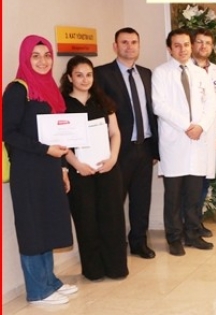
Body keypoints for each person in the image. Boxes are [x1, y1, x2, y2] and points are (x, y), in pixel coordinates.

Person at [3, 35, 77, 304]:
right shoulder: (17, 90)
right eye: (35, 56)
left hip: (49, 169)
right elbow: (8, 133)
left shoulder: (49, 89)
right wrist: (44, 150)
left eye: (47, 55)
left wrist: (63, 169)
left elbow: (58, 135)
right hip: (28, 171)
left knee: (47, 224)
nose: (43, 61)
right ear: (25, 59)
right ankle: (37, 291)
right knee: (32, 228)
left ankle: (49, 282)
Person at [61, 56, 128, 281]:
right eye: (79, 75)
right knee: (86, 220)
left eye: (89, 75)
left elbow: (115, 133)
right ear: (70, 77)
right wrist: (77, 165)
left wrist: (113, 158)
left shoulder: (103, 101)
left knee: (112, 218)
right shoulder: (61, 105)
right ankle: (94, 271)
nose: (85, 79)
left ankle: (116, 268)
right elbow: (61, 142)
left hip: (107, 169)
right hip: (80, 173)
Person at [95, 27, 159, 260]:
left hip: (144, 146)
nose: (129, 47)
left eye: (133, 42)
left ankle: (139, 242)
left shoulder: (146, 74)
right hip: (118, 149)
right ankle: (113, 245)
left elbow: (151, 112)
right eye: (124, 42)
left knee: (141, 199)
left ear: (139, 46)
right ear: (115, 46)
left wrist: (155, 149)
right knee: (113, 201)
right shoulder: (101, 74)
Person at [152, 29, 216, 255]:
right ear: (170, 49)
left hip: (197, 140)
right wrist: (187, 125)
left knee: (193, 194)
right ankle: (174, 238)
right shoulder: (161, 73)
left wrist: (201, 126)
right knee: (173, 196)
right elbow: (159, 105)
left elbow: (211, 105)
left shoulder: (200, 74)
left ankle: (193, 234)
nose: (183, 49)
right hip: (174, 141)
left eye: (186, 44)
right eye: (177, 45)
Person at [191, 28, 216, 239]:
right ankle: (188, 224)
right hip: (192, 134)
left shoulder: (215, 71)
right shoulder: (186, 69)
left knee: (205, 179)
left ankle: (197, 222)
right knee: (191, 181)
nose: (203, 46)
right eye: (199, 42)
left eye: (207, 42)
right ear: (192, 44)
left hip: (211, 133)